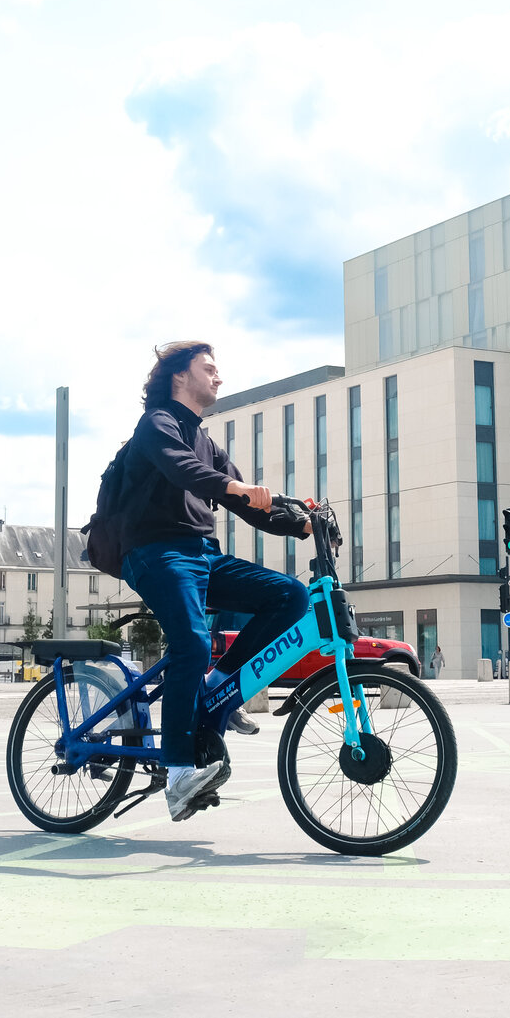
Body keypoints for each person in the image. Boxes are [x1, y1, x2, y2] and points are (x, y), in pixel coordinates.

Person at [116, 341, 311, 822]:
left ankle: (218, 690)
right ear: (180, 377)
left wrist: (300, 520)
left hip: (200, 554)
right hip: (155, 551)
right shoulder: (157, 424)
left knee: (290, 595)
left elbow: (247, 504)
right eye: (209, 369)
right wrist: (235, 487)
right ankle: (179, 772)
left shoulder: (206, 442)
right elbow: (185, 470)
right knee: (192, 644)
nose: (219, 377)